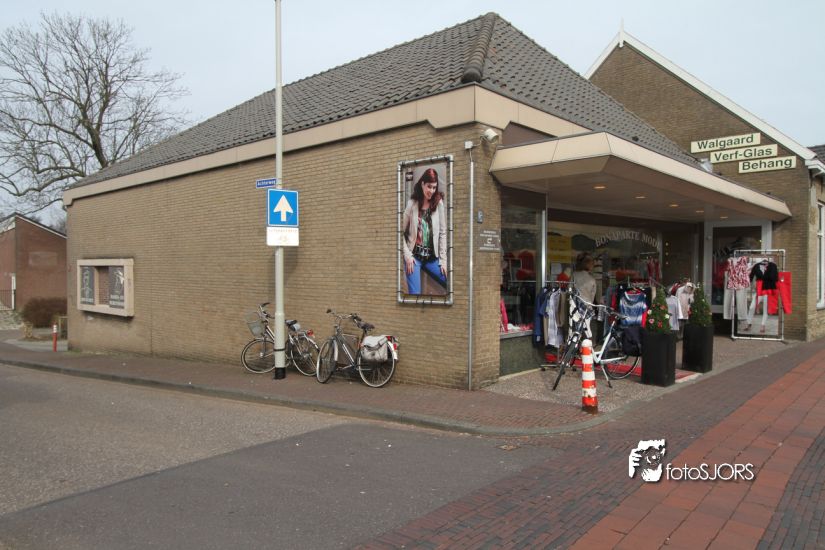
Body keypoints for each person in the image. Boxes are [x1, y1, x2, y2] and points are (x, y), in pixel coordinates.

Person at [402, 167, 447, 294]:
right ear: (422, 184)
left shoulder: (438, 203)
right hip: (414, 258)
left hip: (432, 258)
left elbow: (443, 232)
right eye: (429, 187)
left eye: (434, 187)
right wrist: (407, 256)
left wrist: (443, 261)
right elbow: (398, 232)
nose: (431, 191)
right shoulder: (412, 203)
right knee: (415, 295)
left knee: (452, 282)